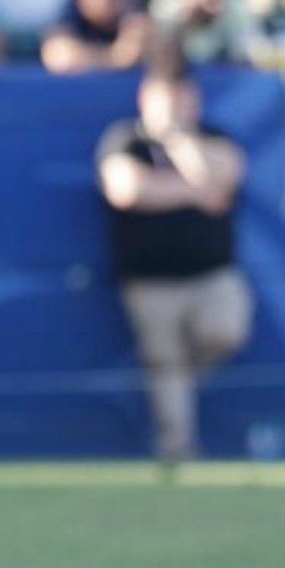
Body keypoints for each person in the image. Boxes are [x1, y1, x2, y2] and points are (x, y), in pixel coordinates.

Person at [97, 63, 249, 463]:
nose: (178, 107)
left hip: (211, 275)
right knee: (165, 365)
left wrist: (181, 143)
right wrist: (196, 191)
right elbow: (127, 190)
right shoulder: (125, 139)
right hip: (150, 280)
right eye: (169, 98)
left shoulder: (214, 137)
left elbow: (224, 180)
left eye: (185, 98)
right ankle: (178, 452)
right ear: (146, 100)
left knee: (224, 333)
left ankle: (184, 385)